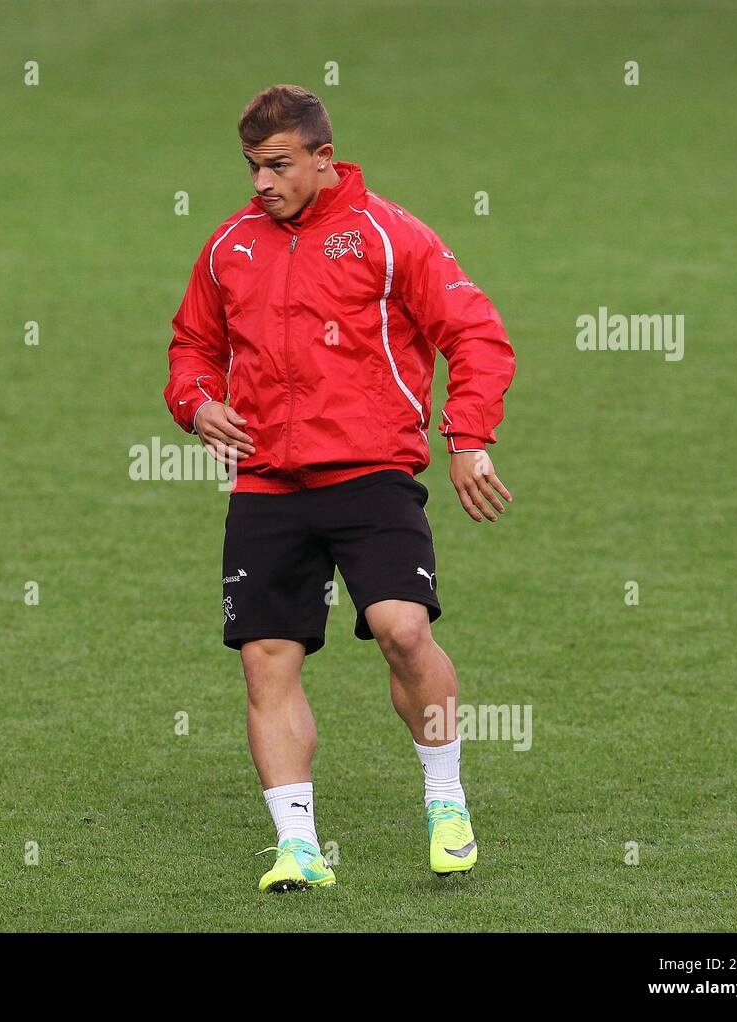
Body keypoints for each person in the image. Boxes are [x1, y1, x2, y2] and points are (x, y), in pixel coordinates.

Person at [164, 84, 516, 892]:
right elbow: (192, 345)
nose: (261, 182)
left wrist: (467, 438)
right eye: (252, 166)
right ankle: (297, 847)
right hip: (266, 484)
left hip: (370, 474)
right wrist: (198, 403)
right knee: (267, 657)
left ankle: (445, 799)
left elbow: (476, 333)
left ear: (325, 159)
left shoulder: (389, 237)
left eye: (279, 165)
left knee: (400, 629)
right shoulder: (230, 247)